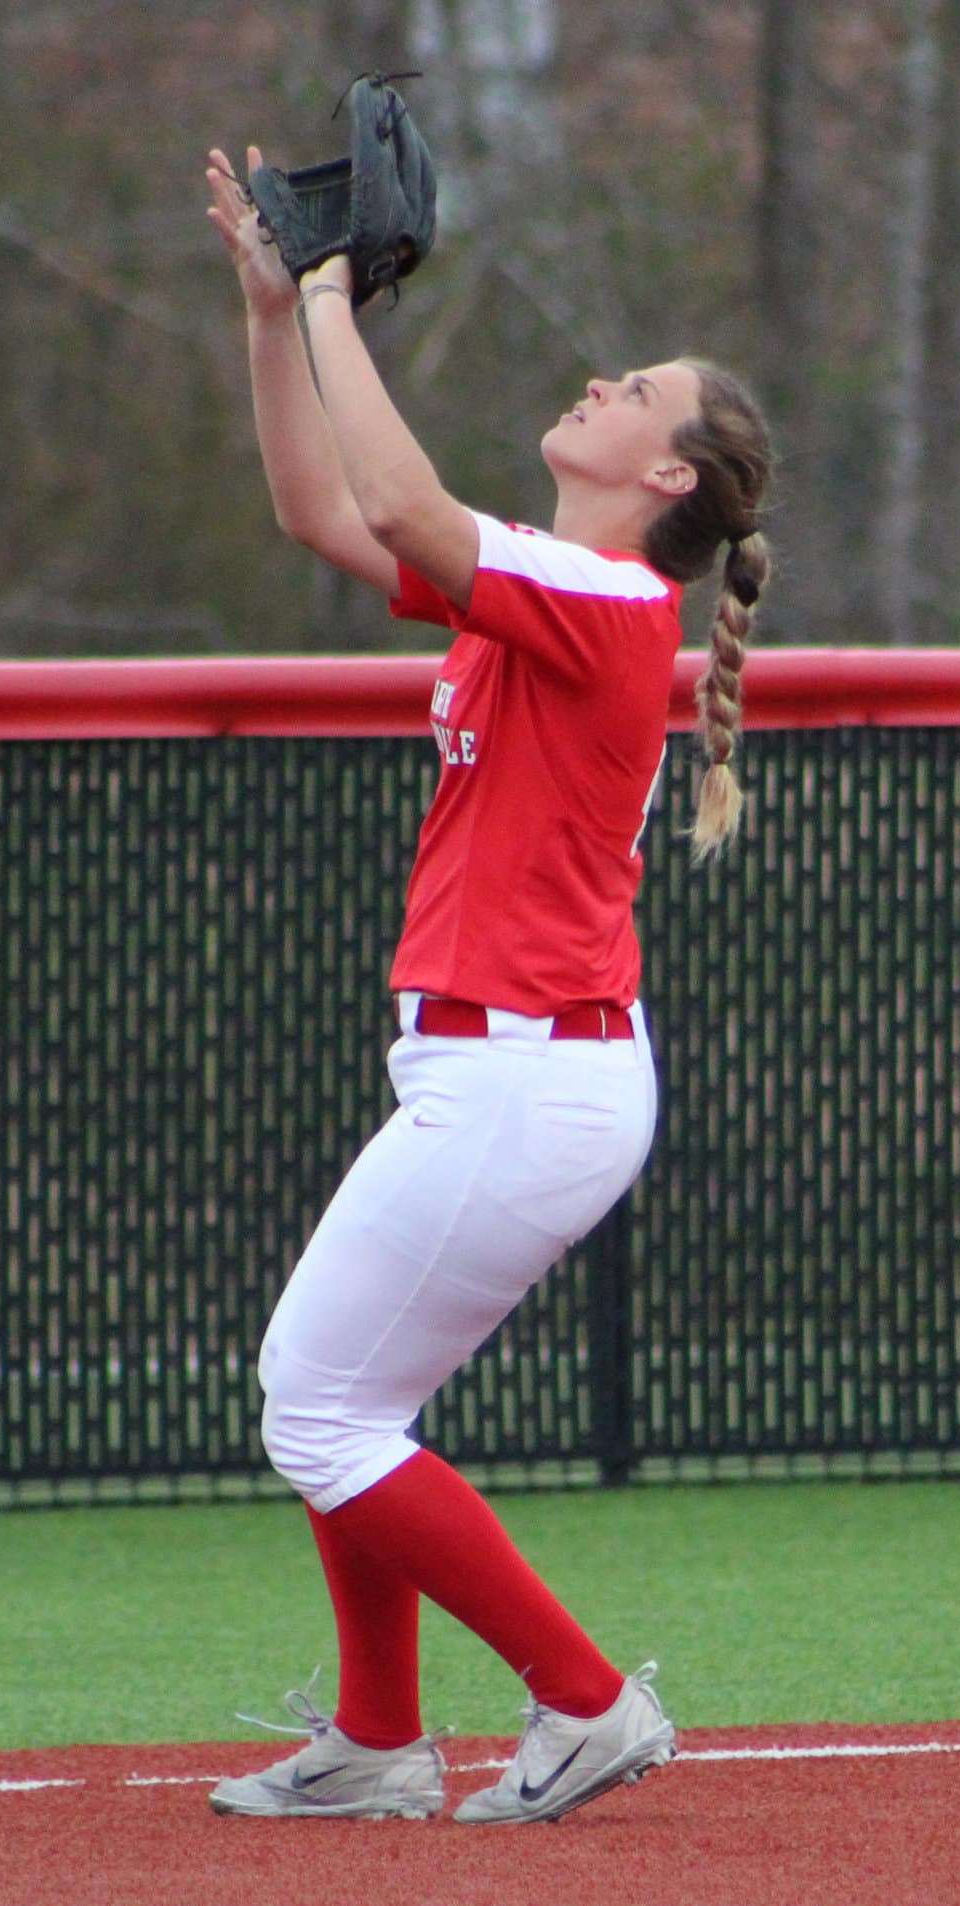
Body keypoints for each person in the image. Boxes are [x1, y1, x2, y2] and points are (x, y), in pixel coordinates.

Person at [197, 143, 773, 1826]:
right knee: (347, 1402)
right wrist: (270, 316)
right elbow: (322, 507)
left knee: (316, 1400)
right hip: (502, 1073)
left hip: (533, 1075)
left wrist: (329, 298)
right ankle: (380, 1741)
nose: (602, 383)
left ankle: (588, 1698)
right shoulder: (548, 586)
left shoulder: (602, 601)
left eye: (637, 390)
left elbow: (393, 502)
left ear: (667, 476)